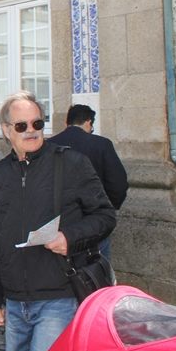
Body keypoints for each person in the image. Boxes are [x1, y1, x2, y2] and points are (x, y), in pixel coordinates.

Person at [0, 90, 116, 351]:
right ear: (7, 130)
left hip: (59, 297)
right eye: (22, 126)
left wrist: (70, 238)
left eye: (37, 123)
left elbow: (105, 216)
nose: (31, 131)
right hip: (14, 300)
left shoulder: (72, 163)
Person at [48, 104, 128, 261]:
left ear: (66, 123)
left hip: (58, 224)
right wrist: (107, 210)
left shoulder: (49, 145)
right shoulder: (101, 144)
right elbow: (118, 184)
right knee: (96, 269)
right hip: (92, 222)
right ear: (89, 122)